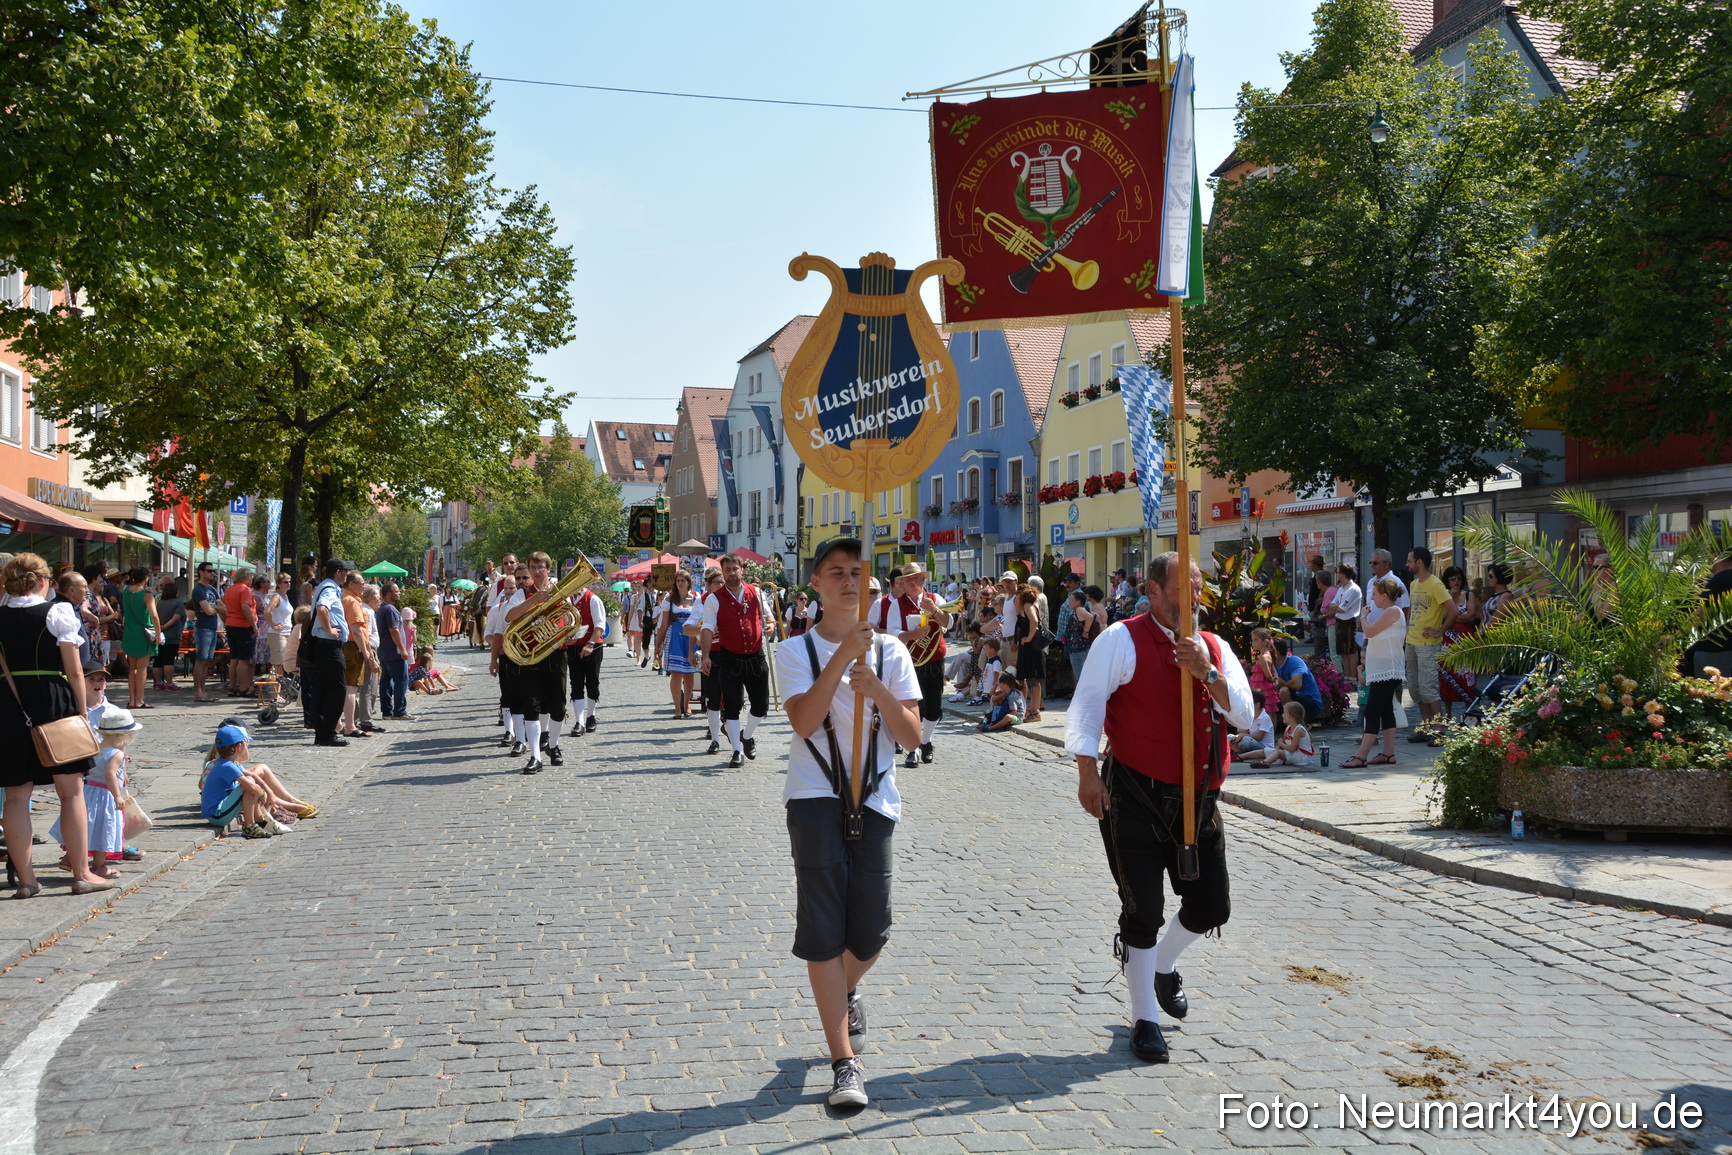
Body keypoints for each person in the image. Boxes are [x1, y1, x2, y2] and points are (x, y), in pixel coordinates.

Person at [1065, 552, 1254, 1064]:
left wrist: (1207, 671)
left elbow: (1245, 715)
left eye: (1198, 588)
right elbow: (1087, 706)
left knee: (1212, 904)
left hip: (1198, 799)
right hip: (1135, 795)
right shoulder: (1121, 639)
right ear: (1152, 591)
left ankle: (1163, 966)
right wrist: (1086, 773)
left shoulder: (1213, 645)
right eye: (1182, 590)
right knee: (1143, 909)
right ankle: (1144, 1017)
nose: (1194, 598)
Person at [776, 537, 921, 1110]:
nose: (847, 582)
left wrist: (877, 686)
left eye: (857, 573)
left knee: (872, 929)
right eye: (836, 572)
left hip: (877, 797)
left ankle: (845, 987)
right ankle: (844, 1063)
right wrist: (841, 661)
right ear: (815, 583)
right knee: (823, 928)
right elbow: (805, 723)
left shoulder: (891, 651)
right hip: (814, 796)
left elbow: (912, 738)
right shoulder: (793, 651)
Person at [0, 553, 113, 897]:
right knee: (71, 791)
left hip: (8, 701)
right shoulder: (58, 612)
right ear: (43, 582)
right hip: (53, 699)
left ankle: (28, 880)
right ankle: (81, 873)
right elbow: (75, 669)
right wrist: (82, 713)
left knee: (17, 796)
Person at [867, 560, 951, 768]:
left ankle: (926, 741)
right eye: (908, 579)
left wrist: (935, 611)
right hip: (909, 660)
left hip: (934, 657)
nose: (913, 582)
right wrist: (912, 635)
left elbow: (949, 624)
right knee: (915, 706)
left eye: (917, 578)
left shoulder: (935, 598)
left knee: (934, 706)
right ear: (902, 583)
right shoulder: (896, 604)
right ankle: (912, 750)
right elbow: (893, 632)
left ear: (923, 580)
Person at [49, 705, 142, 879]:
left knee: (85, 827)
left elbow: (98, 767)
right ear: (124, 736)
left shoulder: (95, 748)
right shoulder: (117, 754)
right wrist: (117, 796)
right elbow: (109, 774)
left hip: (87, 792)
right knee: (103, 830)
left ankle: (70, 858)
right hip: (105, 796)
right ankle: (99, 866)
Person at [700, 554, 773, 768]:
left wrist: (770, 625)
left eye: (735, 568)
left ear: (742, 569)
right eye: (728, 570)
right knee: (731, 706)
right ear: (722, 572)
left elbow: (768, 617)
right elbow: (707, 628)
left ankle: (747, 735)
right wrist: (705, 656)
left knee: (761, 705)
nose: (732, 573)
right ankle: (736, 751)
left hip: (756, 656)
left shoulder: (757, 593)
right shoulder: (714, 599)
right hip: (730, 657)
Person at [501, 554, 571, 773]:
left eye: (541, 567)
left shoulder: (560, 591)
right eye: (533, 567)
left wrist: (569, 632)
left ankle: (554, 745)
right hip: (530, 654)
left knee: (558, 705)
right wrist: (534, 601)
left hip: (556, 653)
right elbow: (509, 616)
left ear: (548, 569)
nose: (537, 571)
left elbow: (570, 617)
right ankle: (534, 756)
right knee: (532, 705)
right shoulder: (521, 593)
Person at [201, 722, 316, 837]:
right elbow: (250, 786)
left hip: (217, 813)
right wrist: (262, 795)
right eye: (246, 744)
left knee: (251, 781)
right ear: (239, 747)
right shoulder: (227, 766)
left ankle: (258, 820)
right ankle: (250, 826)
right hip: (217, 815)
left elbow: (252, 775)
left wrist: (269, 792)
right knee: (249, 785)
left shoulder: (226, 762)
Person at [1342, 577, 1407, 767]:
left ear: (1385, 596)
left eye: (1376, 594)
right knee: (1386, 710)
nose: (1373, 597)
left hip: (1388, 671)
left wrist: (1363, 616)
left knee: (1371, 712)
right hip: (1384, 670)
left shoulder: (1393, 611)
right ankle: (1388, 753)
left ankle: (1361, 756)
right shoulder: (1389, 612)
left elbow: (1369, 632)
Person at [1403, 546, 1455, 743]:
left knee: (1428, 687)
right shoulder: (1415, 584)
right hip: (1412, 640)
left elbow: (1453, 610)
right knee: (1415, 688)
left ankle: (1439, 729)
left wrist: (1440, 631)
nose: (1407, 564)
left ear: (1419, 562)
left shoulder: (1436, 584)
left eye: (1409, 560)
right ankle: (1425, 727)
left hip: (1427, 643)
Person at [303, 559, 352, 747]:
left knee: (323, 689)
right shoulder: (330, 589)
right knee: (336, 690)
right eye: (345, 571)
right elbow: (322, 608)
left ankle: (322, 732)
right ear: (338, 572)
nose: (346, 575)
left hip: (323, 645)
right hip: (329, 645)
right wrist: (330, 629)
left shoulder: (325, 586)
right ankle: (328, 732)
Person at [563, 579, 607, 737]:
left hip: (592, 646)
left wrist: (589, 644)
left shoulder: (593, 599)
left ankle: (591, 716)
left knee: (592, 682)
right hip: (573, 647)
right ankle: (579, 721)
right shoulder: (567, 600)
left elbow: (600, 626)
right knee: (576, 683)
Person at [1437, 566, 1479, 720]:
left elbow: (1471, 616)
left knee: (1467, 677)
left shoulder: (1469, 595)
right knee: (1447, 677)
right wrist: (1453, 605)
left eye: (1459, 578)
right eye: (1453, 578)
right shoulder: (1443, 595)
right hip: (1447, 641)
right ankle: (1447, 716)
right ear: (1446, 580)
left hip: (1464, 641)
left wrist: (1451, 616)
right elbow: (1440, 616)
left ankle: (1469, 715)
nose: (1456, 582)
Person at [657, 571, 701, 718]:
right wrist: (658, 645)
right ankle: (677, 708)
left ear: (689, 582)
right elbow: (663, 625)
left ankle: (687, 704)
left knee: (689, 673)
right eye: (678, 581)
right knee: (675, 674)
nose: (680, 583)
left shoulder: (696, 598)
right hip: (674, 635)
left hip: (690, 636)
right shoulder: (669, 599)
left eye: (683, 580)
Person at [118, 566, 161, 710]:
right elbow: (154, 615)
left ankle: (131, 700)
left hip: (129, 632)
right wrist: (158, 634)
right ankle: (140, 700)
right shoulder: (147, 595)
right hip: (143, 633)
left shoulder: (125, 591)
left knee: (132, 669)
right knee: (142, 668)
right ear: (146, 577)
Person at [189, 561, 224, 703]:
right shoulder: (199, 590)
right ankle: (198, 691)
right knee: (201, 660)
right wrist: (215, 609)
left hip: (212, 628)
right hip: (203, 628)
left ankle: (203, 691)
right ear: (201, 572)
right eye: (209, 571)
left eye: (213, 571)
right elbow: (208, 611)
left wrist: (214, 608)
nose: (212, 573)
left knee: (206, 662)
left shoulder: (213, 589)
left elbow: (222, 607)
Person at [222, 567, 259, 699]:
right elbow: (245, 607)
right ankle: (244, 687)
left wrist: (226, 620)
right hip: (243, 626)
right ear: (245, 578)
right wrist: (254, 626)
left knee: (234, 658)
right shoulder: (245, 590)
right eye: (250, 578)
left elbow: (223, 607)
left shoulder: (230, 589)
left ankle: (233, 687)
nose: (251, 581)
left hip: (231, 624)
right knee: (244, 659)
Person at [376, 583, 410, 722]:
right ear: (389, 594)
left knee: (385, 682)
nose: (399, 593)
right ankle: (400, 711)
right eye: (397, 591)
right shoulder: (390, 609)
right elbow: (394, 630)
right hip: (393, 651)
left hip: (384, 651)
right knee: (401, 681)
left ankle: (386, 711)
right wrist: (402, 649)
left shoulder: (381, 608)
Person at [1270, 636, 1324, 723]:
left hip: (1310, 703)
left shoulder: (1294, 661)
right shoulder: (1273, 665)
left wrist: (1282, 682)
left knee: (1284, 691)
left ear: (1276, 652)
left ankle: (1295, 725)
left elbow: (1296, 684)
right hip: (1292, 701)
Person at [1012, 585, 1046, 722]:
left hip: (1031, 647)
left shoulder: (1027, 605)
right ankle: (1032, 709)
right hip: (1027, 647)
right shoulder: (1025, 606)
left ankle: (1035, 711)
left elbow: (1034, 621)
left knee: (1034, 679)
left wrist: (1029, 637)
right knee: (1031, 679)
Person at [1250, 701, 1316, 769]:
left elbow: (1291, 749)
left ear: (1291, 717)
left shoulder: (1299, 730)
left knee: (1278, 753)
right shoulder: (1288, 728)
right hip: (1293, 754)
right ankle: (1241, 756)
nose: (1282, 715)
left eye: (1284, 713)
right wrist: (1278, 747)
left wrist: (1281, 744)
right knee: (1266, 751)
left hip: (1301, 757)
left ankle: (1264, 762)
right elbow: (1284, 745)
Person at [1329, 564, 1363, 684]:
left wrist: (1337, 606)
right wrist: (1337, 606)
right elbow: (1331, 604)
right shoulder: (1341, 588)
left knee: (1350, 650)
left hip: (1349, 622)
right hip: (1340, 621)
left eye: (1337, 572)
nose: (1336, 574)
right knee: (1342, 651)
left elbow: (1342, 609)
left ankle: (1353, 677)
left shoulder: (1353, 589)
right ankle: (1347, 677)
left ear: (1343, 574)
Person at [152, 577, 184, 691]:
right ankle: (169, 683)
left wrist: (159, 628)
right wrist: (165, 627)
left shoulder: (159, 602)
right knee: (169, 660)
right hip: (172, 635)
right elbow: (176, 618)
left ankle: (158, 682)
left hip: (159, 634)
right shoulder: (178, 603)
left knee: (158, 659)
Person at [264, 572, 294, 679]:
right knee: (278, 664)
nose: (289, 584)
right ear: (279, 584)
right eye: (286, 582)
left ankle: (278, 693)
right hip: (277, 634)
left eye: (290, 581)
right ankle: (274, 695)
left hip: (286, 633)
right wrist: (273, 625)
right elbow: (267, 611)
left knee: (283, 663)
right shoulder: (276, 597)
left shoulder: (285, 596)